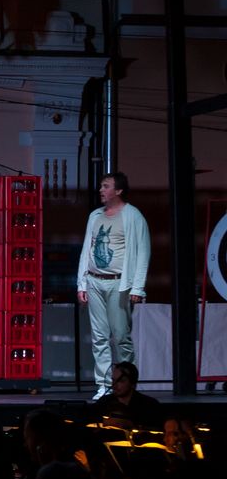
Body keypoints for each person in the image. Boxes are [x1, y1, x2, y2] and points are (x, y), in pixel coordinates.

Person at [76, 171, 150, 400]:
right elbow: (87, 250)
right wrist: (82, 283)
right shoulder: (95, 216)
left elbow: (143, 252)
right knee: (99, 337)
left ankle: (126, 385)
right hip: (95, 281)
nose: (101, 190)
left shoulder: (133, 216)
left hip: (119, 283)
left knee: (120, 337)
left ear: (118, 190)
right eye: (101, 186)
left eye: (106, 186)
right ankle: (104, 385)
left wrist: (137, 287)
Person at [92, 361, 163, 429]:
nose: (114, 385)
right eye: (113, 380)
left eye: (121, 381)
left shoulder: (149, 405)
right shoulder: (104, 403)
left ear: (132, 383)